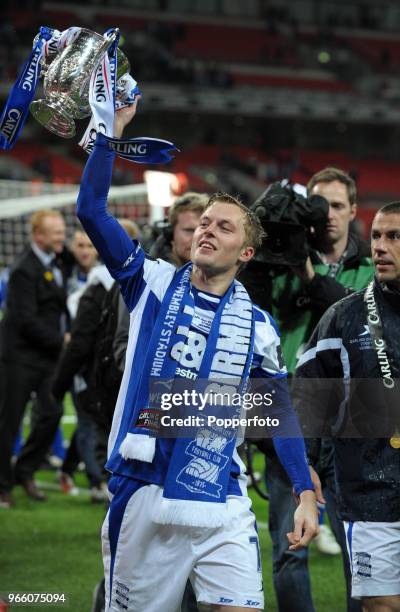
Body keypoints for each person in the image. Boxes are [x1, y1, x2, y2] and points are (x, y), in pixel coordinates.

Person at [76, 102, 319, 612]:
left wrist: (303, 490)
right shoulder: (152, 282)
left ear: (246, 253)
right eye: (204, 222)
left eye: (224, 227)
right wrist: (110, 135)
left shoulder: (257, 326)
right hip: (144, 487)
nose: (207, 230)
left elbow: (278, 413)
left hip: (219, 491)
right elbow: (92, 212)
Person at [240, 168, 374, 612]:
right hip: (293, 416)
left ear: (354, 210)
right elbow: (250, 322)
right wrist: (263, 244)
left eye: (337, 205)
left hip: (355, 425)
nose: (328, 215)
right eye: (319, 204)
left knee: (362, 553)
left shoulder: (371, 267)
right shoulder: (277, 267)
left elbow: (352, 314)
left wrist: (307, 271)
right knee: (288, 549)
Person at [294, 201, 400, 611]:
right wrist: (304, 464)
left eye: (394, 236)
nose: (381, 246)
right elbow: (307, 396)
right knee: (381, 605)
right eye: (376, 236)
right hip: (369, 490)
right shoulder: (344, 317)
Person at [0, 209, 67, 508]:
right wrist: (63, 340)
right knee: (8, 422)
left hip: (46, 357)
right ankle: (3, 488)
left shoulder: (56, 262)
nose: (61, 236)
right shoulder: (22, 269)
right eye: (55, 232)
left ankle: (24, 471)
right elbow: (24, 319)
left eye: (62, 230)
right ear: (38, 235)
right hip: (18, 357)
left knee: (51, 413)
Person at [149, 192, 208, 266]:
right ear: (170, 234)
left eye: (203, 230)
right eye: (189, 230)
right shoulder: (151, 275)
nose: (197, 238)